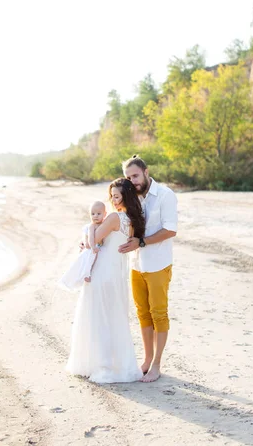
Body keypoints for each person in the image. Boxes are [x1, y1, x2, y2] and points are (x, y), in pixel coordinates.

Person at [66, 178, 145, 383]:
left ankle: (101, 365)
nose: (113, 199)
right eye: (111, 196)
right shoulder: (134, 219)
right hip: (118, 273)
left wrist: (86, 237)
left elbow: (93, 241)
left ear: (125, 196)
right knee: (114, 316)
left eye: (116, 196)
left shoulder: (113, 218)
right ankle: (119, 364)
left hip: (103, 271)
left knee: (97, 315)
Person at [119, 155, 178, 383]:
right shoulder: (130, 197)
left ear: (146, 171)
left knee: (159, 313)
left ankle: (156, 365)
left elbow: (170, 230)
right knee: (142, 313)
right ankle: (146, 359)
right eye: (128, 177)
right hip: (136, 264)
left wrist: (141, 242)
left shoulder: (165, 195)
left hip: (158, 264)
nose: (132, 180)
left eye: (135, 175)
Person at [58, 201, 106, 291]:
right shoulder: (92, 226)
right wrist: (93, 247)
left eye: (99, 214)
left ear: (105, 214)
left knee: (95, 260)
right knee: (91, 260)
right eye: (93, 214)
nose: (95, 216)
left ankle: (87, 273)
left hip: (97, 247)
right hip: (92, 248)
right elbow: (91, 238)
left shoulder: (105, 224)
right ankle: (87, 274)